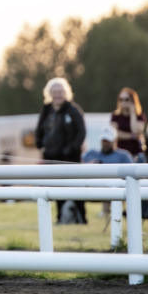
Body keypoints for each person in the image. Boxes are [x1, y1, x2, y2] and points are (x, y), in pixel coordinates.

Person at [34, 77, 87, 223]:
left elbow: (81, 132)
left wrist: (71, 149)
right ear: (49, 93)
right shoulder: (46, 110)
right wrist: (40, 145)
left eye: (60, 91)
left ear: (66, 93)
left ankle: (81, 218)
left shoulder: (73, 110)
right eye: (54, 91)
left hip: (70, 158)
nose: (57, 94)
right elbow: (39, 130)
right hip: (51, 157)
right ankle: (60, 218)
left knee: (76, 189)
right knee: (56, 189)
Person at [110, 87, 146, 163]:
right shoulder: (115, 116)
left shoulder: (139, 116)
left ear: (132, 101)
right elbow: (114, 133)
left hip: (136, 154)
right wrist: (132, 136)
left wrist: (133, 114)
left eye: (126, 99)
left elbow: (136, 130)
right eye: (121, 99)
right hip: (120, 154)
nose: (123, 102)